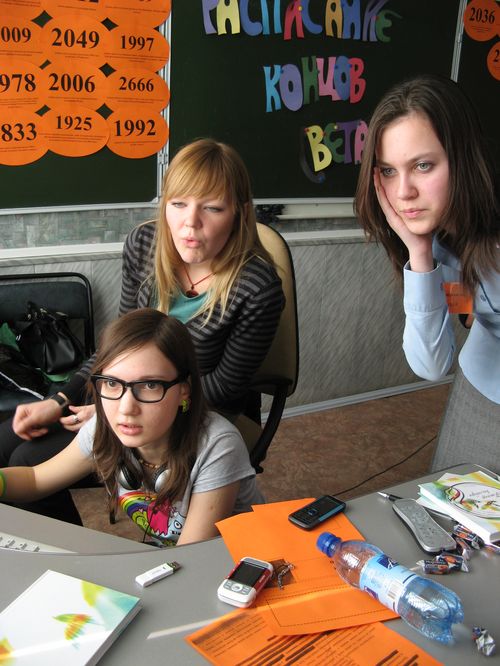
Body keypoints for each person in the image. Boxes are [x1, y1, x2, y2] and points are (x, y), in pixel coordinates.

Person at [0, 139, 284, 519]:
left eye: (213, 208)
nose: (190, 223)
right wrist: (59, 400)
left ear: (240, 213)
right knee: (6, 439)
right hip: (130, 393)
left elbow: (225, 388)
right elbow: (118, 349)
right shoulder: (144, 244)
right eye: (178, 204)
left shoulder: (257, 286)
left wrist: (115, 409)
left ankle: (69, 550)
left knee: (27, 458)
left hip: (197, 408)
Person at [0, 309, 264, 545]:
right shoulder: (105, 427)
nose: (126, 409)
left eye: (150, 385)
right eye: (112, 383)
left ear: (184, 390)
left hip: (228, 566)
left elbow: (189, 556)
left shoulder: (218, 446)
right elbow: (35, 480)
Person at [355, 74, 500, 473]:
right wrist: (419, 254)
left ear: (462, 158)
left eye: (422, 166)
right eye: (388, 171)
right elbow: (432, 365)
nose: (403, 192)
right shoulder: (435, 239)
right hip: (482, 381)